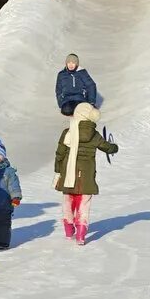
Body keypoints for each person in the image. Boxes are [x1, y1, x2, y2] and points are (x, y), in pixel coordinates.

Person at [52, 101, 119, 244]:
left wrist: (58, 172)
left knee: (68, 202)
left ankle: (69, 230)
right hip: (86, 176)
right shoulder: (94, 135)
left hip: (67, 175)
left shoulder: (67, 132)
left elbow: (60, 154)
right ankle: (81, 235)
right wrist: (114, 147)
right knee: (84, 204)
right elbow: (107, 147)